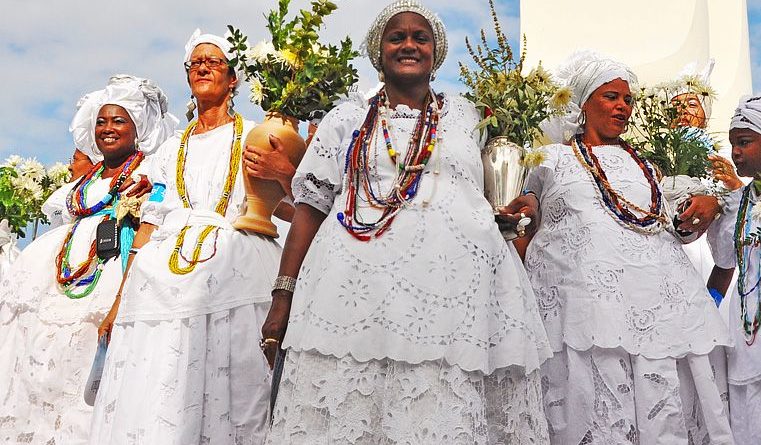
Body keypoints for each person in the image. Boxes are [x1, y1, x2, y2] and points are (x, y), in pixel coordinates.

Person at [262, 2, 552, 443]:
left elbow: (482, 196)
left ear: (435, 53)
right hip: (353, 297)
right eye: (397, 37)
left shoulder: (469, 117)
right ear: (379, 51)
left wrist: (511, 211)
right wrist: (282, 297)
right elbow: (310, 207)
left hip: (453, 299)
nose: (409, 44)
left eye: (421, 38)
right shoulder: (345, 118)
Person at [88, 29, 297, 444]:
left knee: (234, 380)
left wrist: (284, 175)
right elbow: (149, 226)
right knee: (159, 379)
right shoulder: (169, 149)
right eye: (195, 63)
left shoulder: (256, 134)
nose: (202, 67)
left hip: (237, 267)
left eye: (214, 61)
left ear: (233, 78)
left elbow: (289, 209)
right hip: (162, 275)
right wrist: (117, 303)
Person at [529, 51, 733, 444]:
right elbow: (526, 213)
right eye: (612, 97)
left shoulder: (647, 166)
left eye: (628, 100)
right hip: (586, 308)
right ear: (583, 103)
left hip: (654, 308)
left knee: (660, 410)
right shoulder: (552, 159)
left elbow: (668, 223)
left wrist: (708, 203)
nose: (623, 106)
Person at [0, 74, 176, 445]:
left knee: (91, 365)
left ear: (138, 128)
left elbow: (157, 217)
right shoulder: (85, 180)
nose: (108, 129)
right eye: (101, 121)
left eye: (118, 121)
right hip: (59, 277)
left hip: (113, 273)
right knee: (44, 355)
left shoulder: (149, 172)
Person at [704, 95, 761, 443]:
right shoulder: (735, 204)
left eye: (744, 142)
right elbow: (725, 267)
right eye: (732, 145)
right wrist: (705, 309)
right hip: (746, 331)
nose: (735, 153)